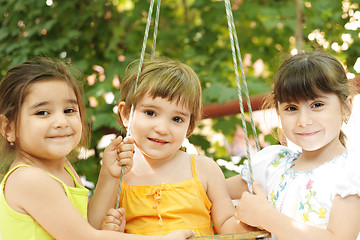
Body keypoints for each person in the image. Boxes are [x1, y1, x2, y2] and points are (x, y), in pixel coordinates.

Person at [0, 57, 195, 240]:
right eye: (42, 112)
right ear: (8, 128)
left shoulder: (62, 168)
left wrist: (109, 176)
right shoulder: (28, 179)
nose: (61, 122)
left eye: (69, 110)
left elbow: (89, 226)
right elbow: (86, 237)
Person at [110, 56, 254, 237]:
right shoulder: (118, 174)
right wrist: (111, 229)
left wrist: (247, 223)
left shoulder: (204, 169)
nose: (162, 129)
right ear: (126, 114)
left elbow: (226, 223)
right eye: (150, 112)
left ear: (190, 125)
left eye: (177, 119)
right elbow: (94, 229)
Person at [226, 51, 360, 240]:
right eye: (291, 108)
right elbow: (211, 189)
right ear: (279, 113)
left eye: (317, 105)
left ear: (346, 108)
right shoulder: (272, 164)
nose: (303, 121)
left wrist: (265, 217)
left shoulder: (351, 172)